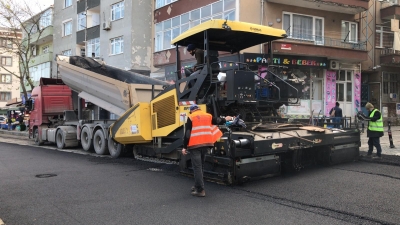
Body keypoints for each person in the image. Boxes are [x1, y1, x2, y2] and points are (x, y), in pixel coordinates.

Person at [181, 104, 233, 197]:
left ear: (192, 111)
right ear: (199, 109)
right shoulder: (208, 116)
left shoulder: (191, 117)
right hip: (206, 145)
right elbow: (218, 120)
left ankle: (200, 190)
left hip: (195, 145)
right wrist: (226, 119)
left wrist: (184, 147)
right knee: (201, 166)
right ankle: (198, 185)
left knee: (197, 167)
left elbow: (188, 134)